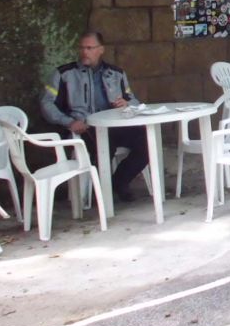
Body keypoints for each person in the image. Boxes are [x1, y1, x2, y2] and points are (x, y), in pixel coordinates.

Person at [40, 30, 150, 202]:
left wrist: (127, 104)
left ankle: (119, 182)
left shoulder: (116, 73)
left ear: (101, 50)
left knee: (147, 140)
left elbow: (133, 100)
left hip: (115, 125)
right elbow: (46, 104)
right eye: (82, 48)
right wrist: (69, 122)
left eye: (90, 48)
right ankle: (102, 194)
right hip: (85, 127)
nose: (85, 52)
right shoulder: (64, 74)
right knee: (103, 146)